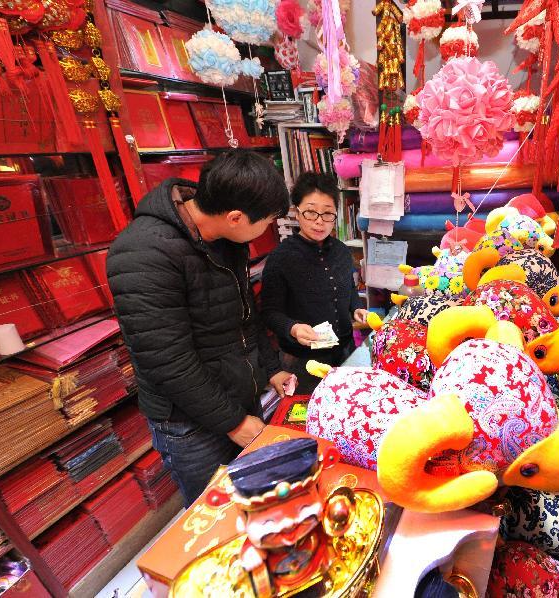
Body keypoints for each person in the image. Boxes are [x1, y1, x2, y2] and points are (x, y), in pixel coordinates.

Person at [107, 149, 293, 506]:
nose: (267, 229)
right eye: (267, 221)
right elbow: (168, 362)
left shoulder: (225, 236)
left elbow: (245, 315)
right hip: (190, 423)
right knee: (216, 514)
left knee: (256, 499)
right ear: (236, 217)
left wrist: (270, 370)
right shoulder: (143, 253)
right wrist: (234, 423)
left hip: (238, 397)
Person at [260, 172, 368, 394]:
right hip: (303, 361)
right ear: (296, 212)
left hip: (344, 350)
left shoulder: (341, 251)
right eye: (311, 212)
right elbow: (270, 313)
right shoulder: (281, 258)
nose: (319, 221)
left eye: (328, 213)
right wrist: (292, 328)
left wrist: (356, 307)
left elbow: (348, 288)